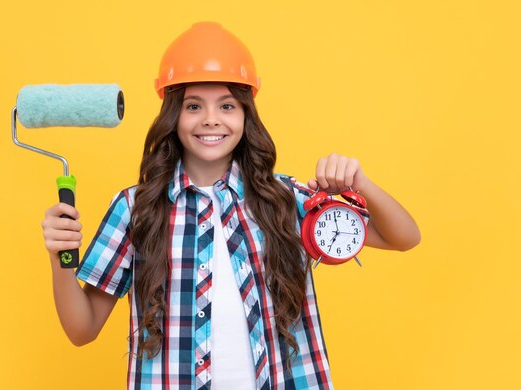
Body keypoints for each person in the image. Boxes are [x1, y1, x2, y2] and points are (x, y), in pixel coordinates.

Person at [41, 22, 420, 390]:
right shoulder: (135, 208)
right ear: (173, 117)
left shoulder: (284, 199)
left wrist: (359, 184)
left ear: (244, 116)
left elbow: (403, 236)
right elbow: (82, 329)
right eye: (193, 106)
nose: (210, 120)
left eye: (226, 105)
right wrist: (62, 256)